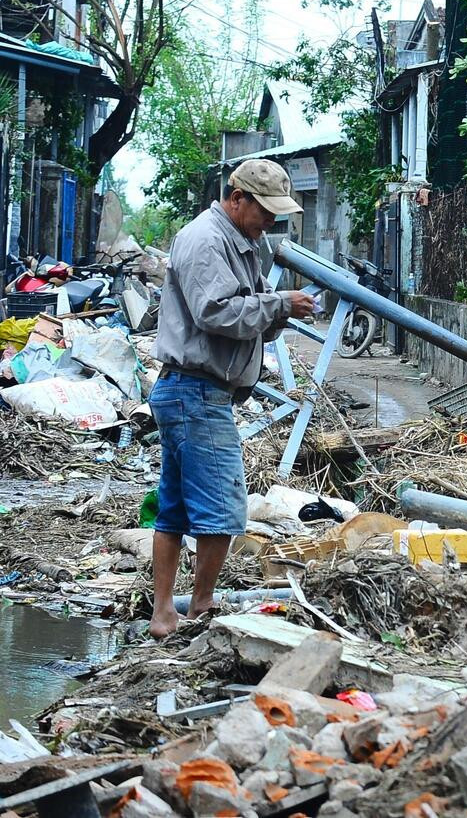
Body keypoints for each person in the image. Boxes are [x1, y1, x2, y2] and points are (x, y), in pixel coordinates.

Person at [148, 158, 317, 638]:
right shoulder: (207, 239)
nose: (270, 222)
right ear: (236, 197)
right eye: (264, 210)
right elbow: (215, 312)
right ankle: (200, 607)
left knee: (177, 507)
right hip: (196, 390)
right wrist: (280, 304)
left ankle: (166, 613)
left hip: (193, 391)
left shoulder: (241, 242)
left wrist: (279, 308)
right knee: (222, 507)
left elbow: (252, 309)